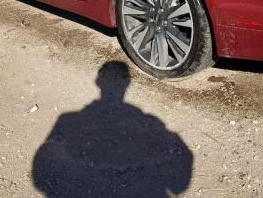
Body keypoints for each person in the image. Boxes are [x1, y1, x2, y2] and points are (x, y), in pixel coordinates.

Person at [32, 61, 193, 197]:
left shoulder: (67, 120)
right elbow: (180, 183)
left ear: (98, 83)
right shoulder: (148, 121)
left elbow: (41, 175)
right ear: (127, 84)